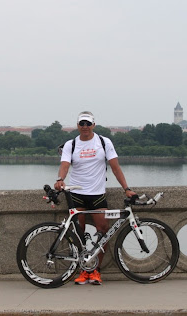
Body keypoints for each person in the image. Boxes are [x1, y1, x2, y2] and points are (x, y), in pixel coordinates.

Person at [54, 111, 136, 285]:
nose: (85, 127)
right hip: (76, 194)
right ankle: (83, 270)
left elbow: (115, 168)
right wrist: (60, 179)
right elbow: (64, 165)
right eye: (82, 124)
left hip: (97, 194)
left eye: (88, 124)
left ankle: (96, 270)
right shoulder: (71, 144)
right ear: (77, 126)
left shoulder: (104, 142)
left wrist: (127, 189)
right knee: (79, 232)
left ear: (93, 125)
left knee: (103, 230)